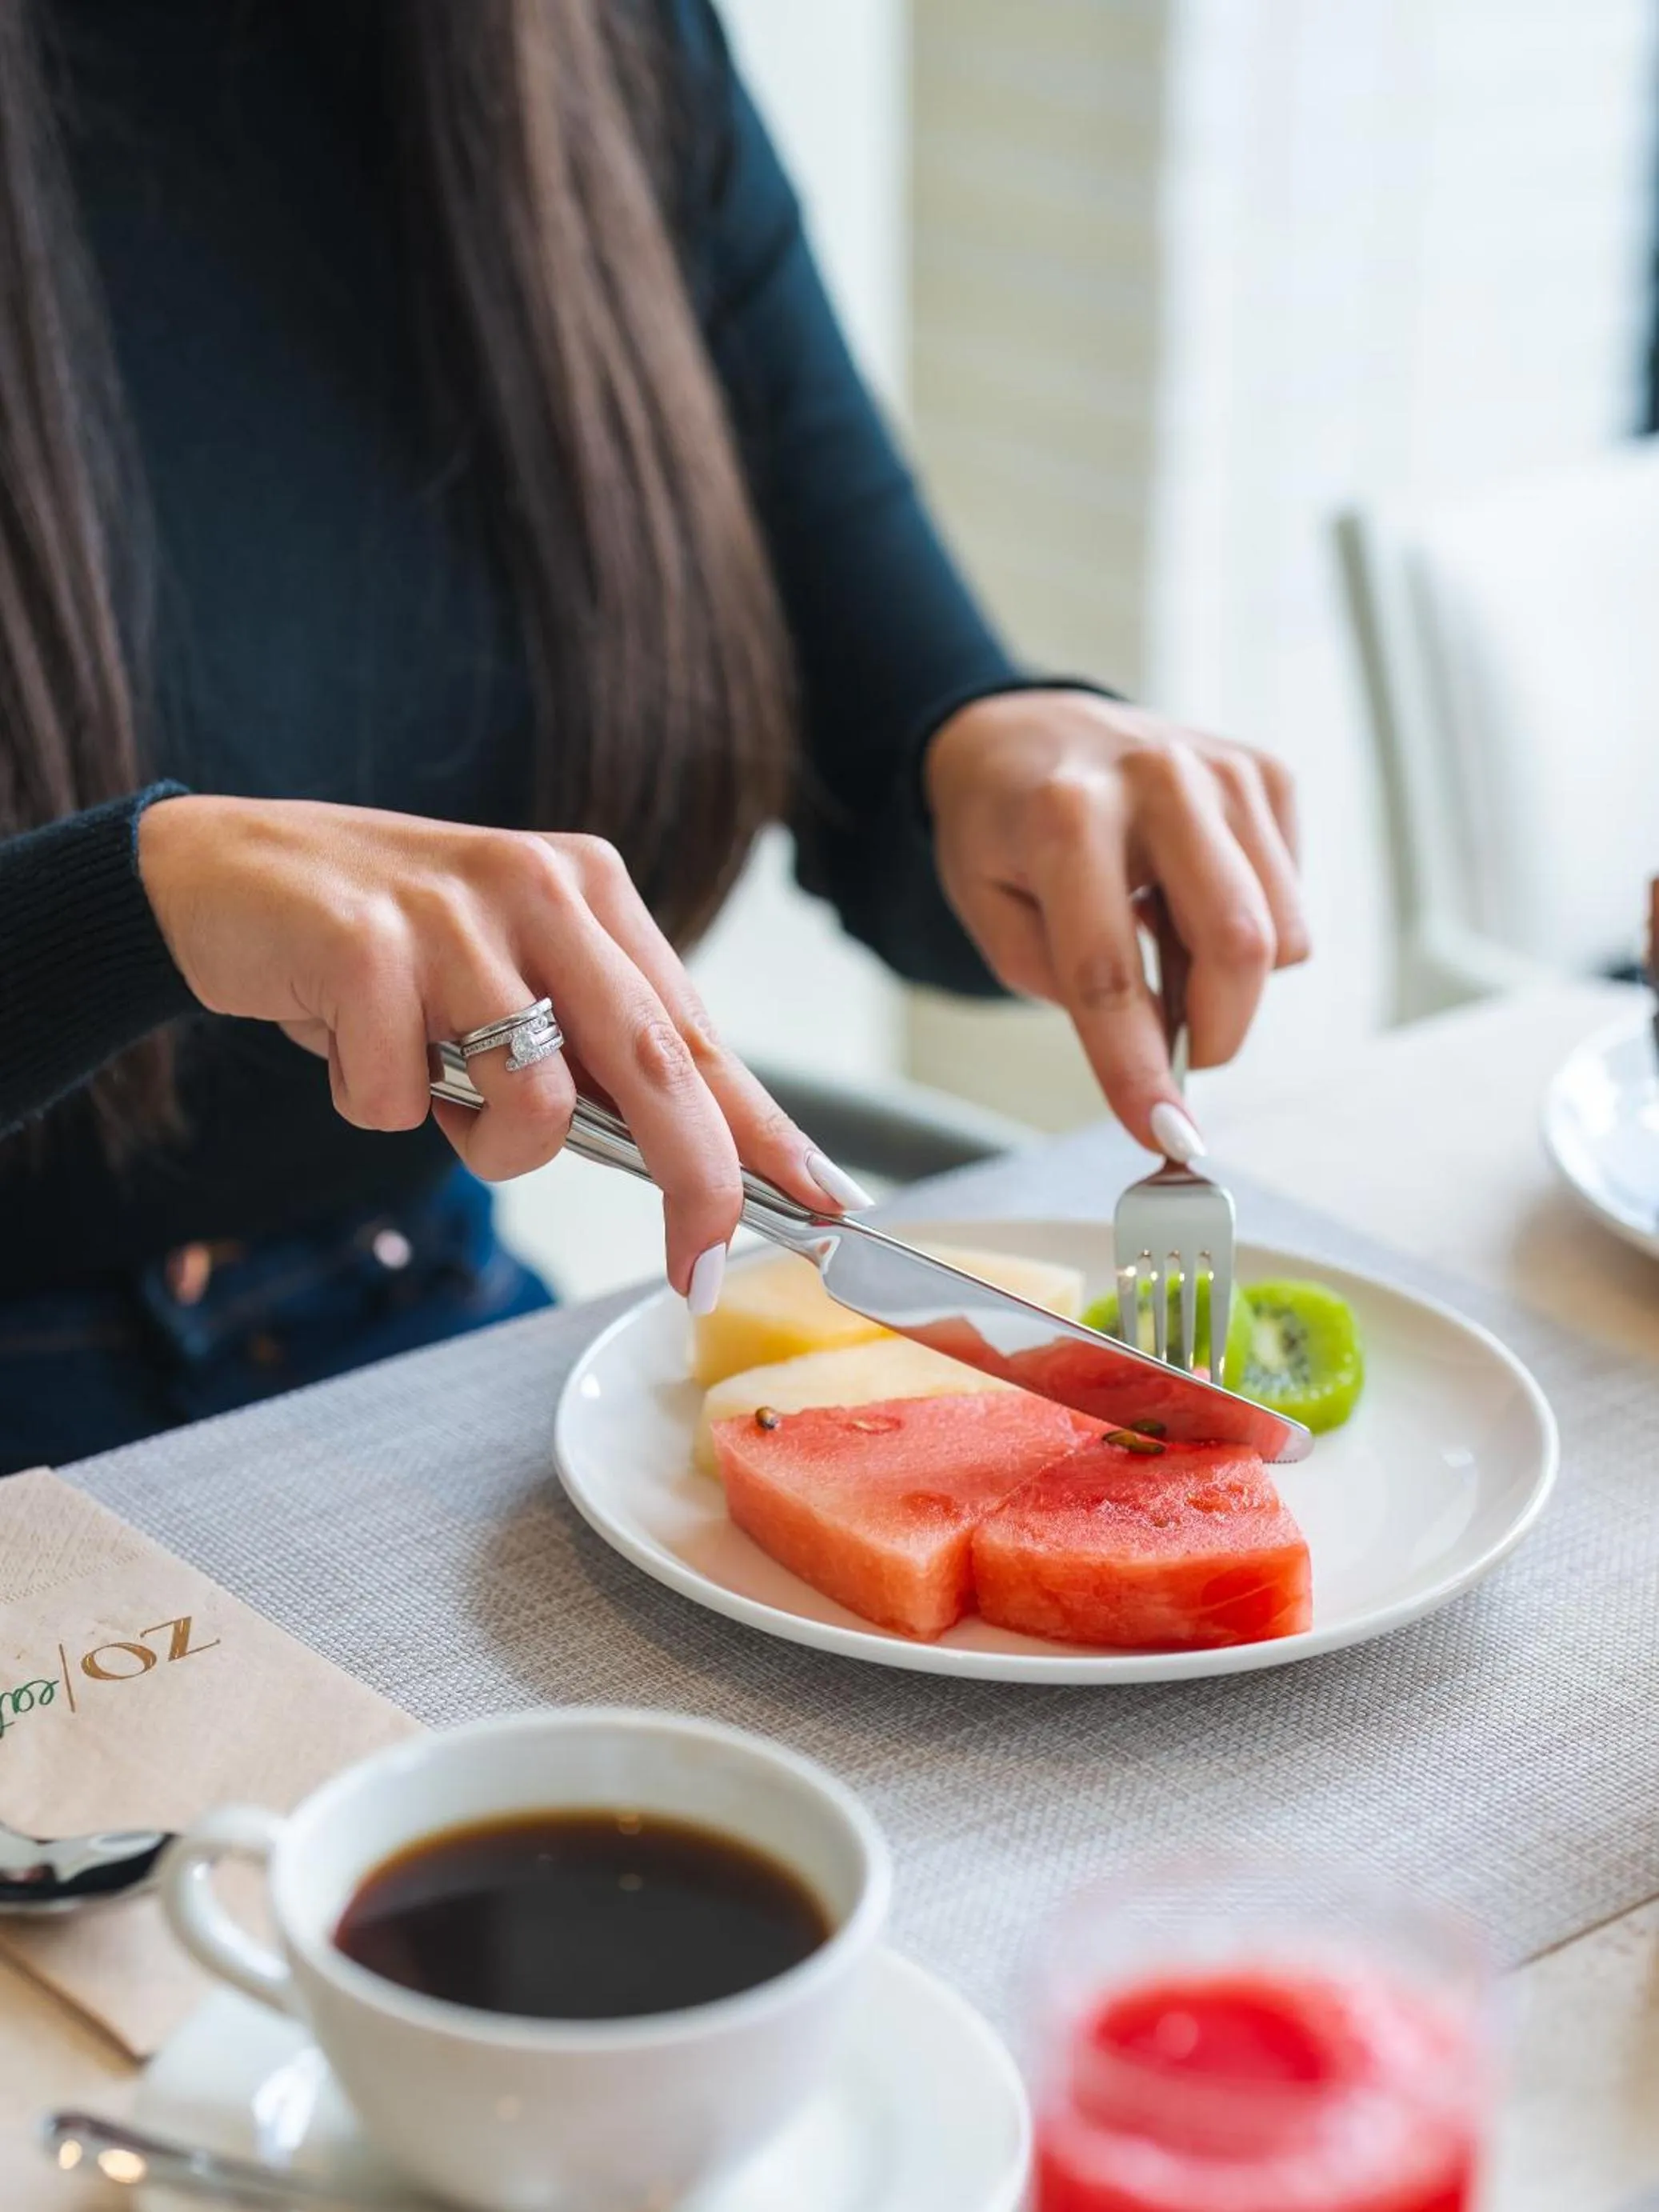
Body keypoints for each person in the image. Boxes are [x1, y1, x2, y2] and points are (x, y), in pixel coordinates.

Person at [0, 0, 1306, 1474]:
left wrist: (1002, 755)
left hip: (415, 1327)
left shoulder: (599, 42)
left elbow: (885, 730)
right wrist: (138, 898)